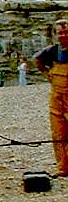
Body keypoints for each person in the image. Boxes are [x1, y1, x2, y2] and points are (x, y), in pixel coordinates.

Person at [35, 19, 68, 177]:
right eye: (60, 32)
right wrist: (47, 74)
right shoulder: (52, 51)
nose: (62, 35)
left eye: (66, 32)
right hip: (56, 98)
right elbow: (38, 60)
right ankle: (63, 167)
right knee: (58, 133)